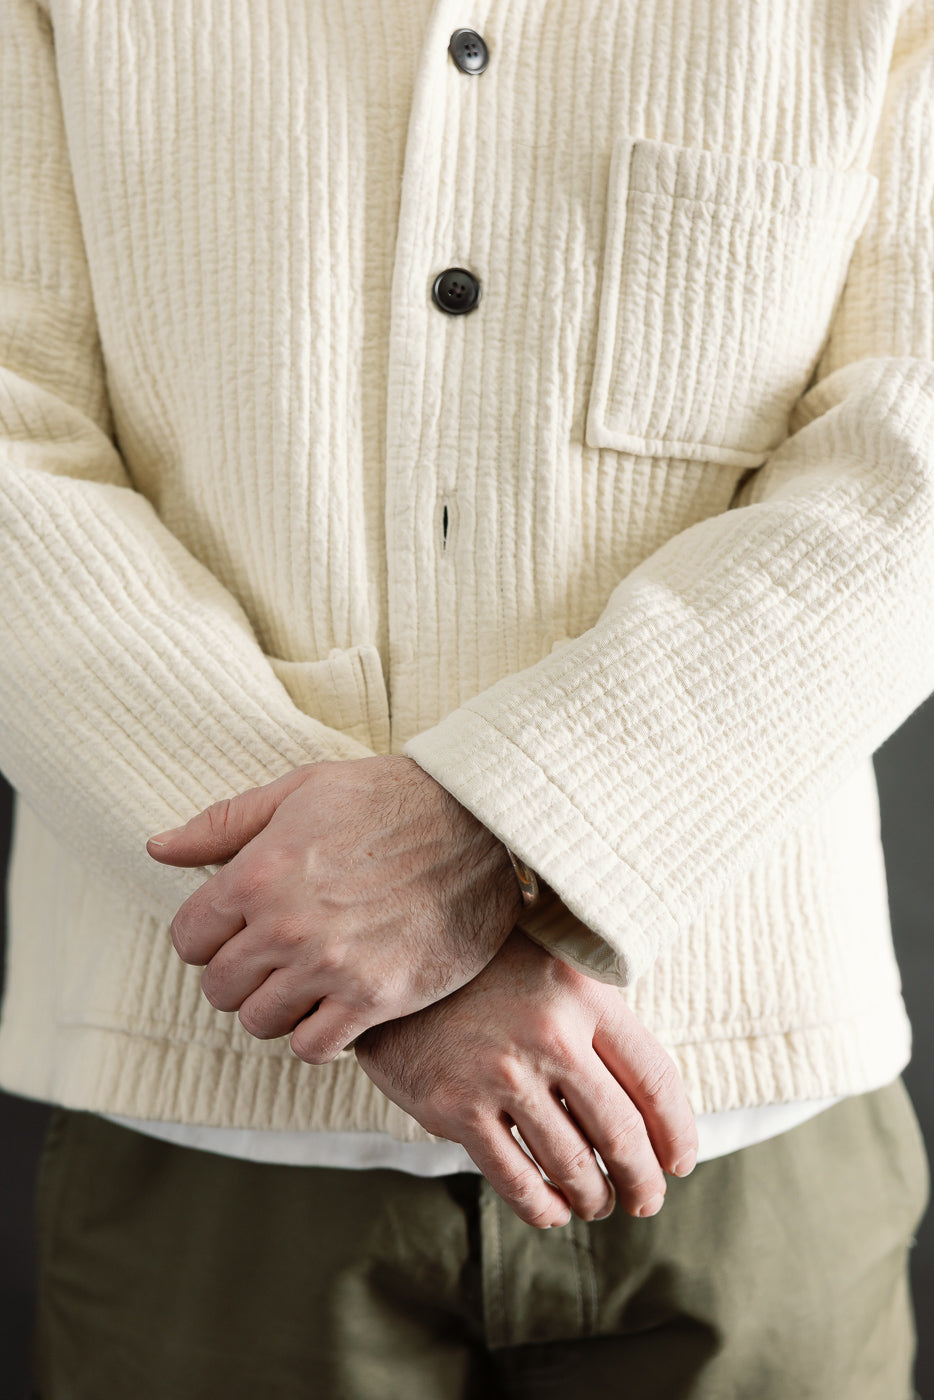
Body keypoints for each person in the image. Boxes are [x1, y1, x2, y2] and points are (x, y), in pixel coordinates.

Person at [0, 0, 931, 1395]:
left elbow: (907, 449)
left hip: (742, 1110)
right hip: (207, 1135)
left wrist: (494, 834)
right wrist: (337, 923)